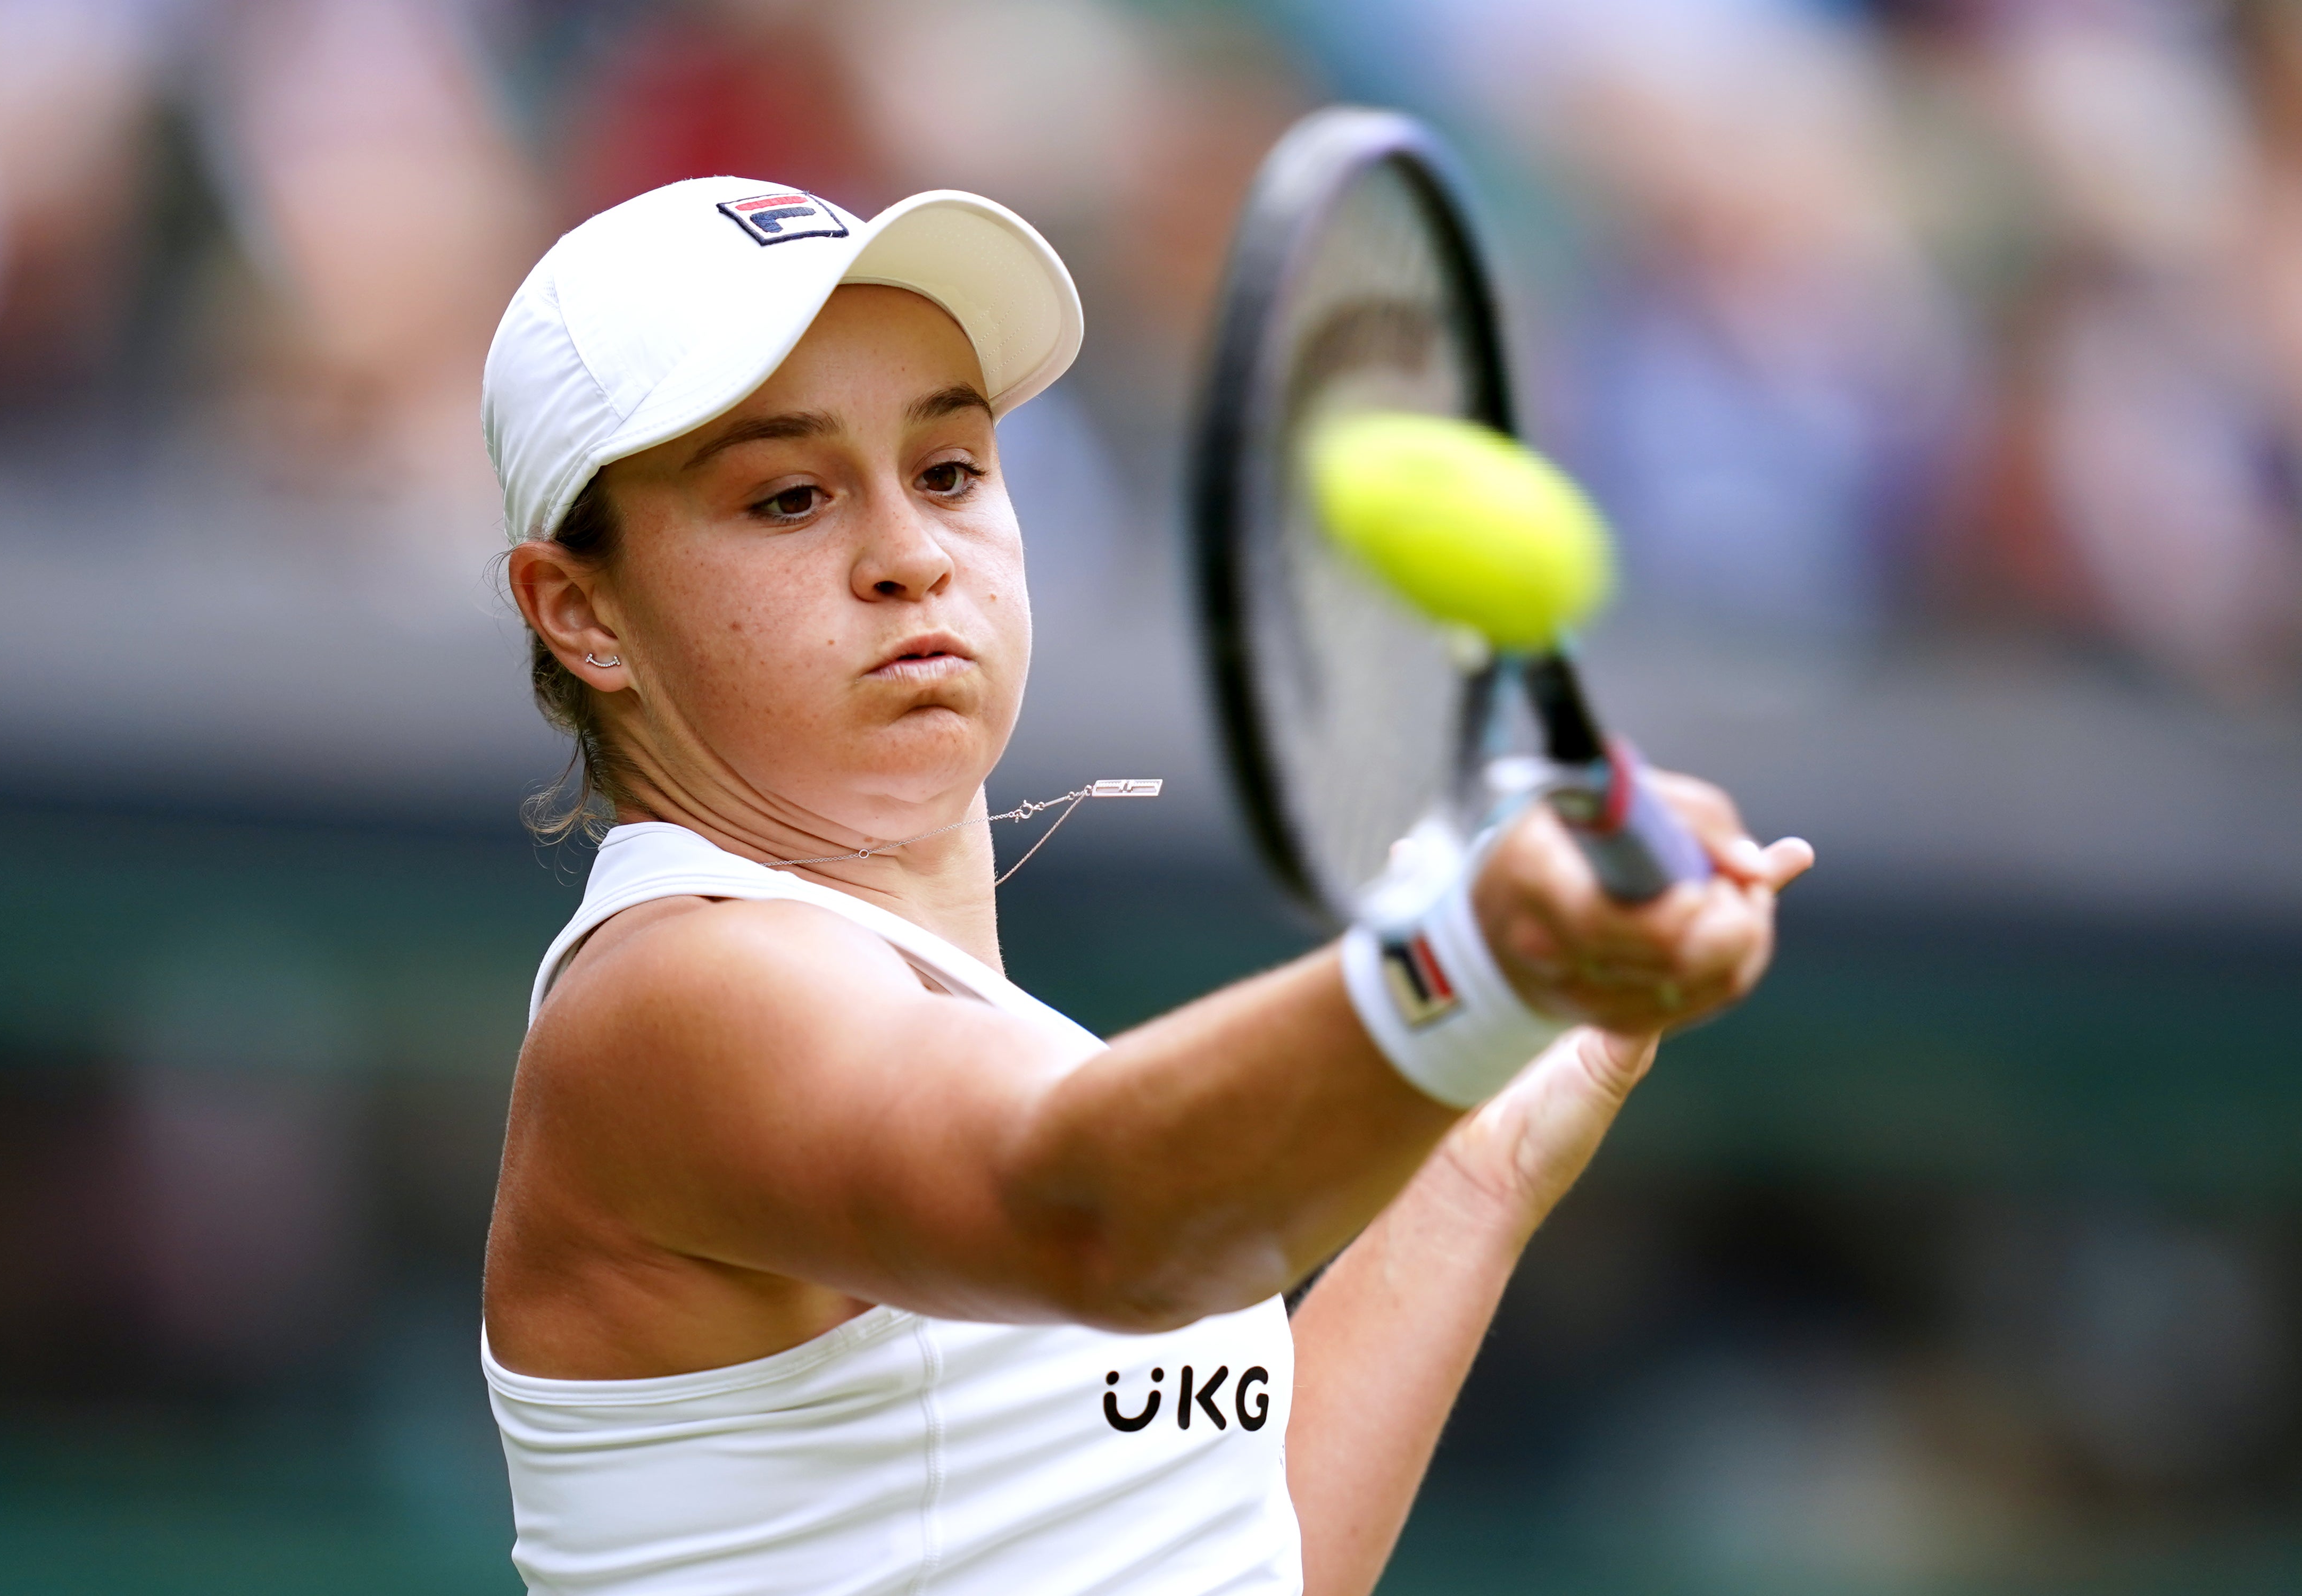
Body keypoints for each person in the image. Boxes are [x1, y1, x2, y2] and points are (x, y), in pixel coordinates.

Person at [484, 177, 1812, 1596]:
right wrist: (1465, 964)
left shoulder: (984, 1045)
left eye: (948, 471)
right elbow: (1093, 1215)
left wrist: (1480, 1147)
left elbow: (1235, 1563)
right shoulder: (677, 996)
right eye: (791, 496)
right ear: (582, 612)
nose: (911, 556)